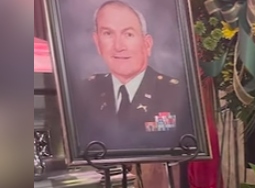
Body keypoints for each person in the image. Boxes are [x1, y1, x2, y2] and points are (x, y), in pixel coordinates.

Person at [77, 0, 190, 148]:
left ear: (147, 44)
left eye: (128, 34)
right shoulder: (84, 93)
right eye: (108, 34)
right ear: (97, 42)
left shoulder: (178, 94)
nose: (118, 46)